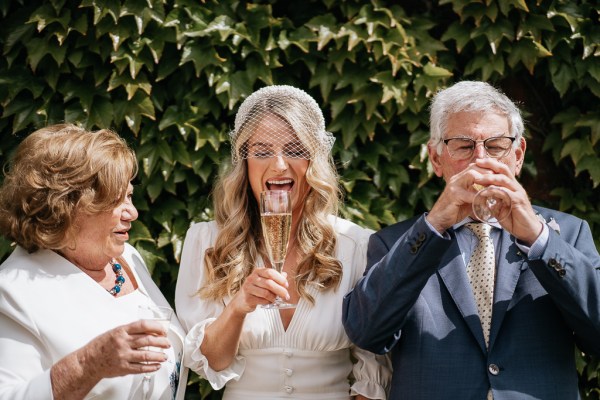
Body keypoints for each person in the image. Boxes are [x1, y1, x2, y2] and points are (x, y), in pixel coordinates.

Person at [342, 81, 600, 399]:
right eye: (464, 146)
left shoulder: (568, 233)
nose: (480, 160)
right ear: (436, 158)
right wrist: (434, 224)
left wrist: (538, 237)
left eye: (495, 146)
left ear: (517, 156)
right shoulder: (394, 242)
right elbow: (366, 331)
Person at [175, 85, 390, 399]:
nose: (278, 165)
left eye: (295, 149)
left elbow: (374, 364)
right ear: (244, 162)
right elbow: (211, 362)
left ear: (313, 159)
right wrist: (239, 308)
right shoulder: (208, 241)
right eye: (262, 152)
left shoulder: (356, 246)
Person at [0, 124, 188, 400]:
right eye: (116, 200)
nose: (133, 213)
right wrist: (88, 363)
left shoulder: (127, 258)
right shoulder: (13, 291)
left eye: (130, 197)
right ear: (65, 205)